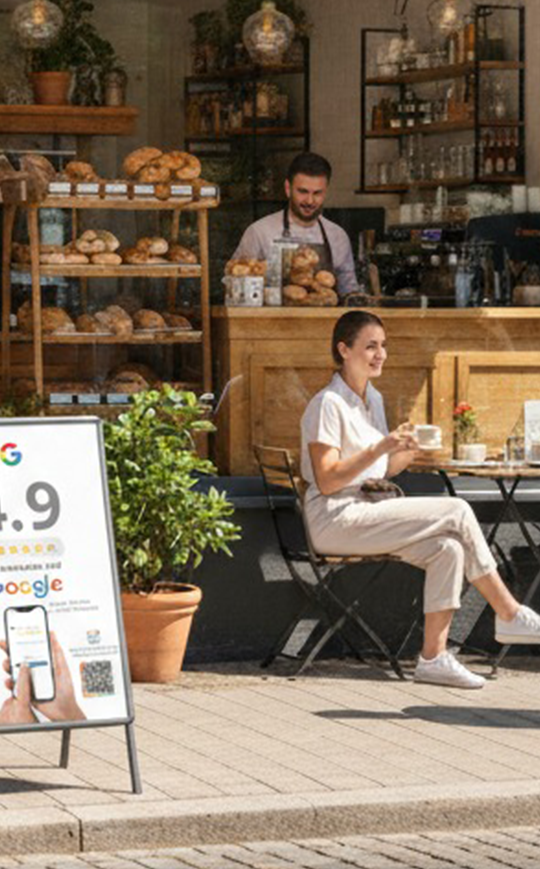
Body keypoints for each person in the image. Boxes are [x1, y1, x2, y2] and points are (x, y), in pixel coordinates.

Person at [300, 309, 540, 688]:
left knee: (447, 548)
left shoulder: (371, 399)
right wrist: (381, 446)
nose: (379, 354)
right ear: (344, 350)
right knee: (458, 509)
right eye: (370, 346)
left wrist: (408, 450)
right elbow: (328, 480)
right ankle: (508, 612)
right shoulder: (327, 404)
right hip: (335, 518)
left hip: (369, 511)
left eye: (383, 346)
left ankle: (433, 658)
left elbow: (382, 470)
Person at [231, 152, 358, 297]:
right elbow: (234, 285)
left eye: (317, 193)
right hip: (270, 319)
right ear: (287, 188)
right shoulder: (259, 232)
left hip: (323, 319)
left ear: (326, 192)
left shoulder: (338, 236)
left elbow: (349, 292)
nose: (310, 201)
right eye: (303, 192)